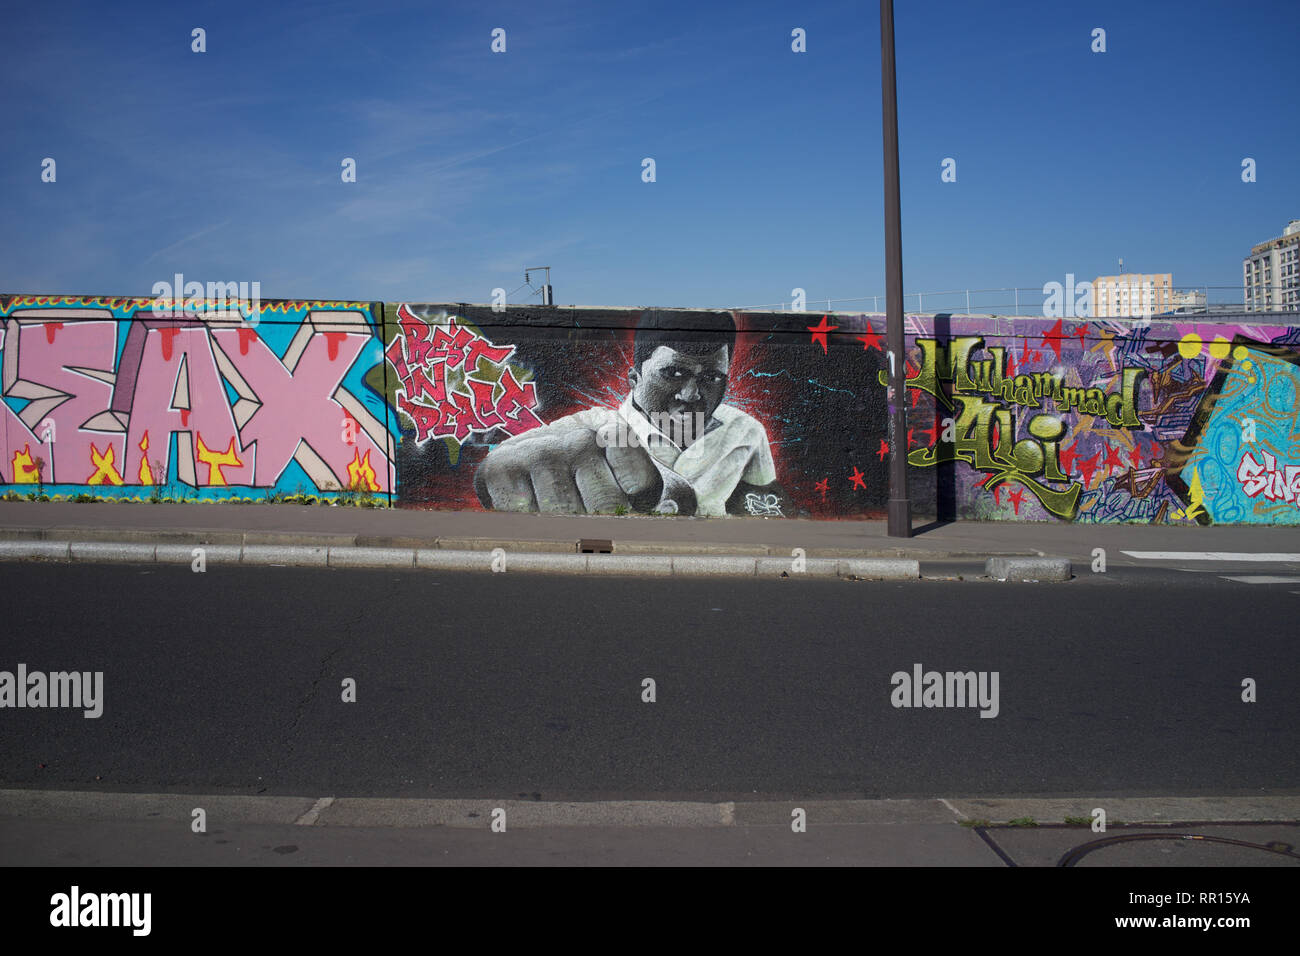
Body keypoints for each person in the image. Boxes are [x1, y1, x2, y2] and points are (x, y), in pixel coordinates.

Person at [474, 310, 787, 516]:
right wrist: (500, 467)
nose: (692, 395)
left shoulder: (745, 430)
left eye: (712, 379)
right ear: (635, 379)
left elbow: (764, 503)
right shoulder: (595, 427)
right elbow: (523, 454)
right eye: (674, 374)